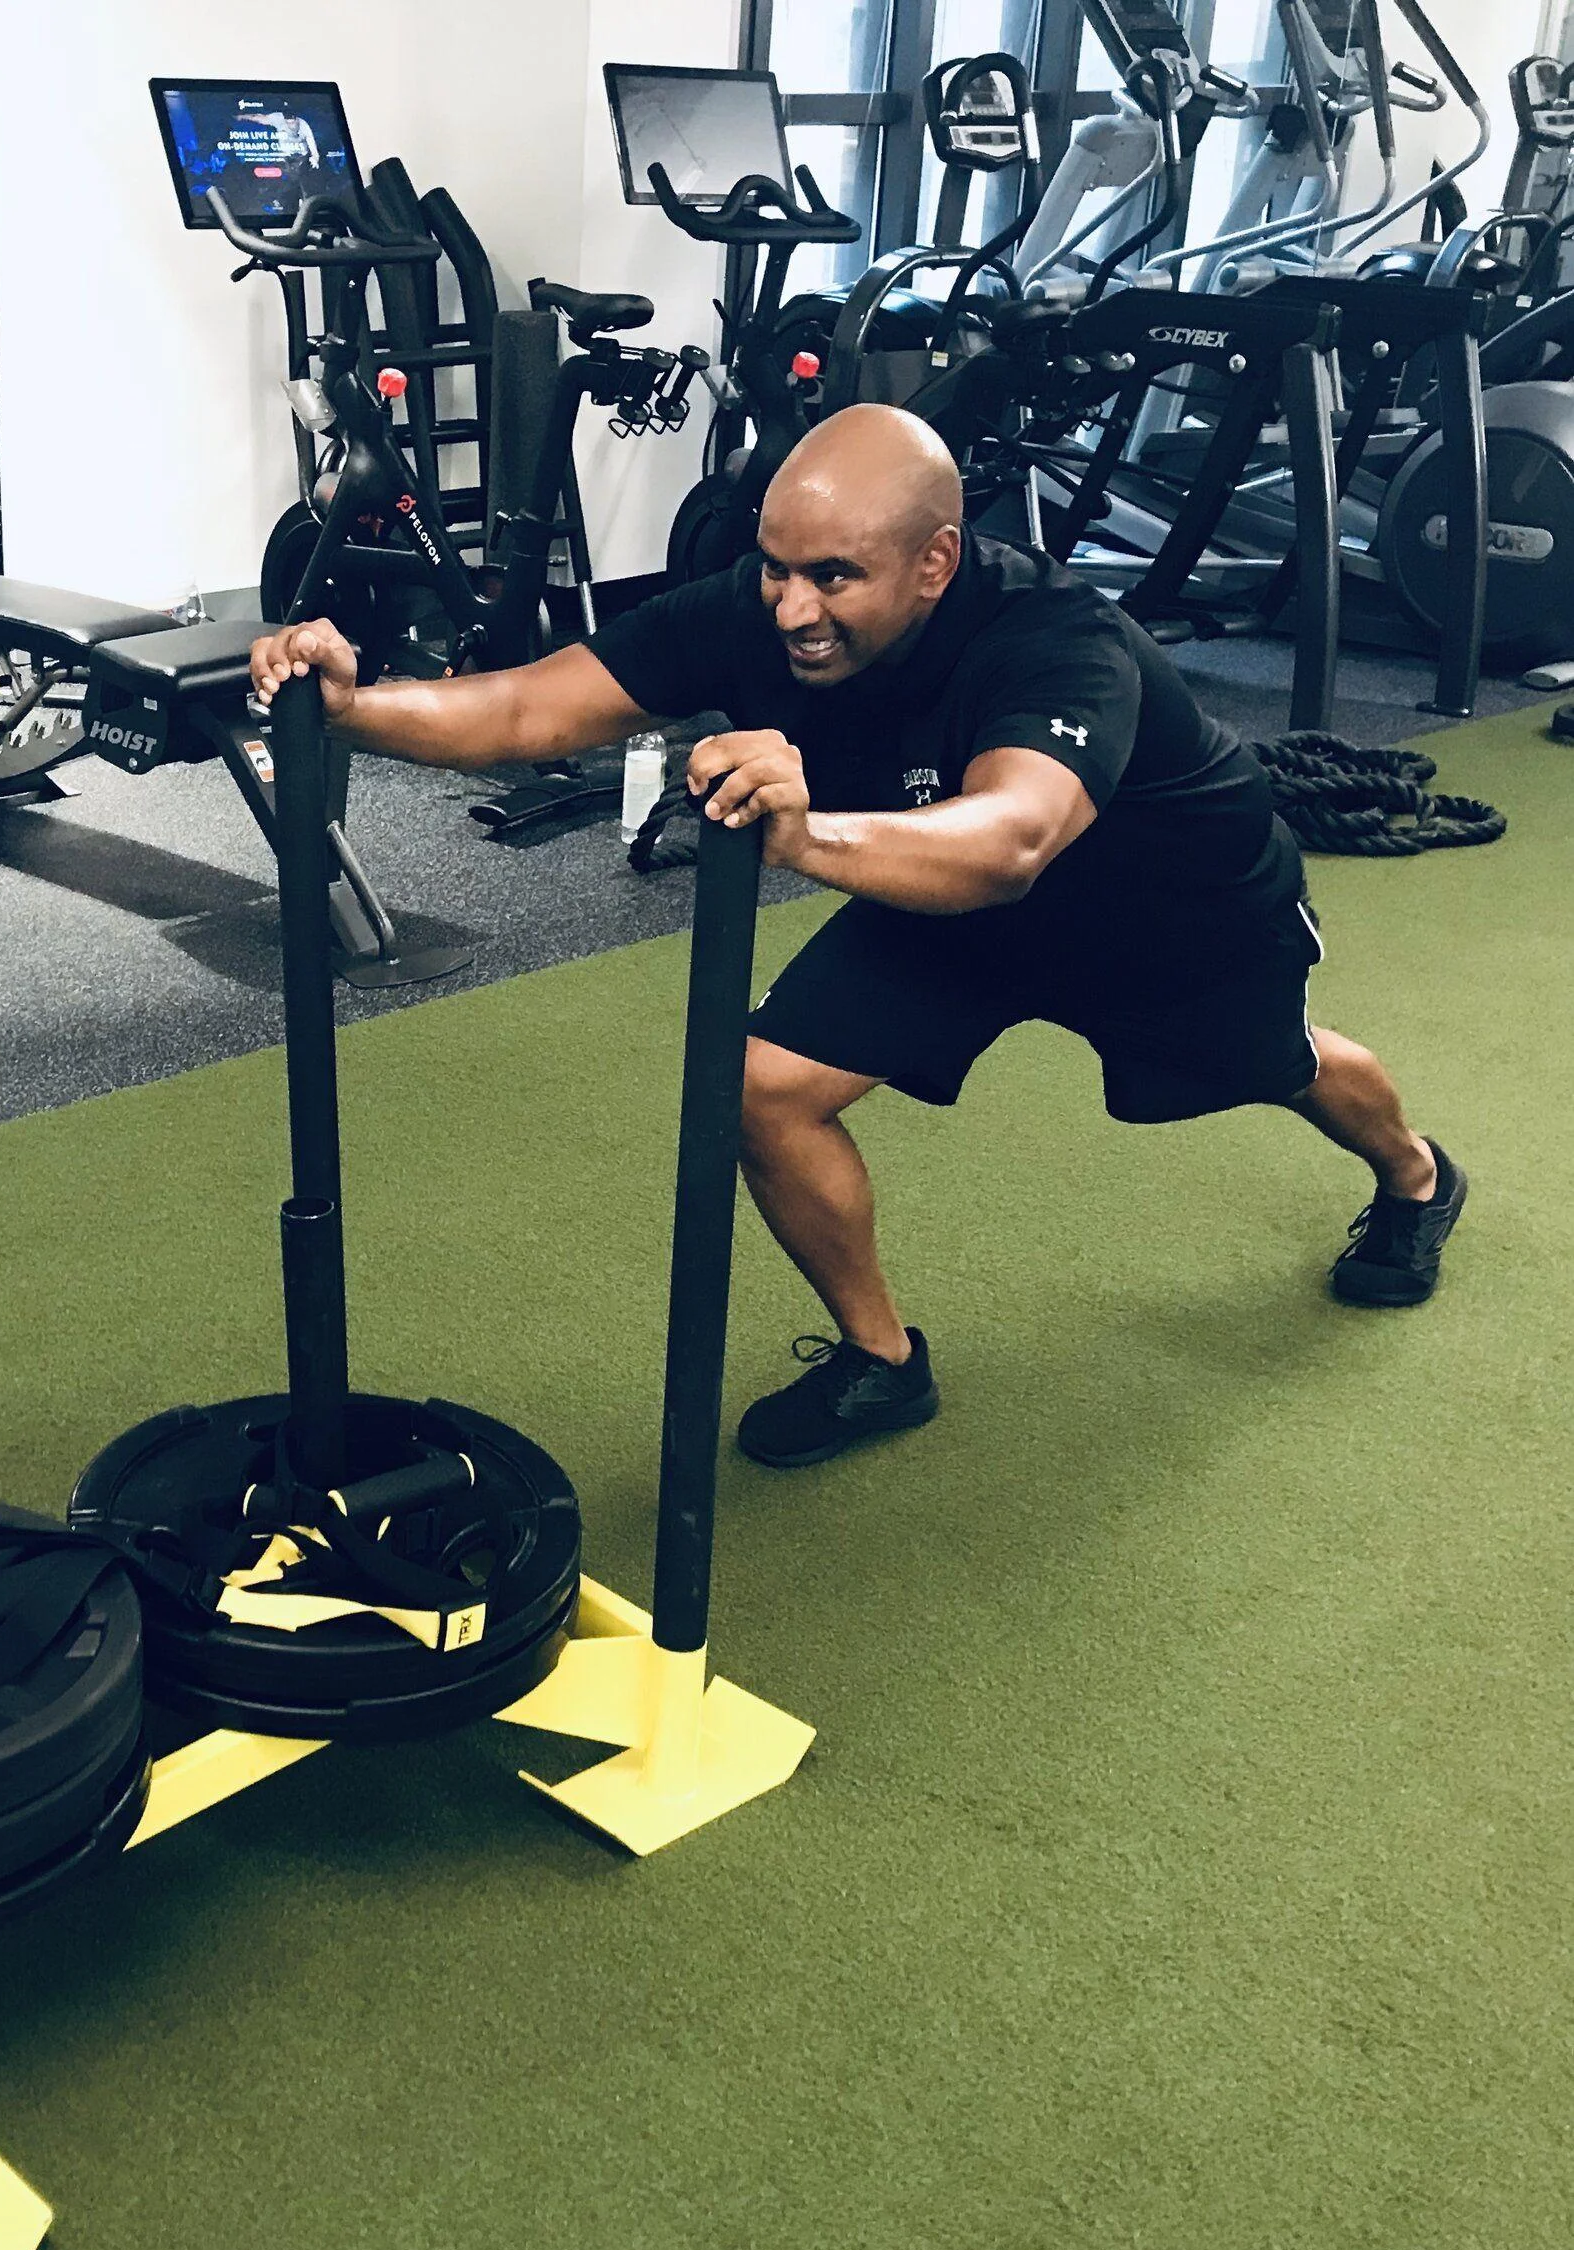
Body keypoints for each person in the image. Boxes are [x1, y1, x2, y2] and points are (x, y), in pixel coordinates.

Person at [248, 404, 1467, 1470]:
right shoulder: (758, 608)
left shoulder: (1056, 638)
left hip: (1162, 906)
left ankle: (1414, 1175)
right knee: (764, 1090)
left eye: (832, 576)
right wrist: (358, 707)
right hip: (941, 896)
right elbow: (526, 703)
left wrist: (803, 832)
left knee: (1286, 1065)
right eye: (775, 567)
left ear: (935, 561)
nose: (789, 605)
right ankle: (880, 1357)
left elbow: (1011, 839)